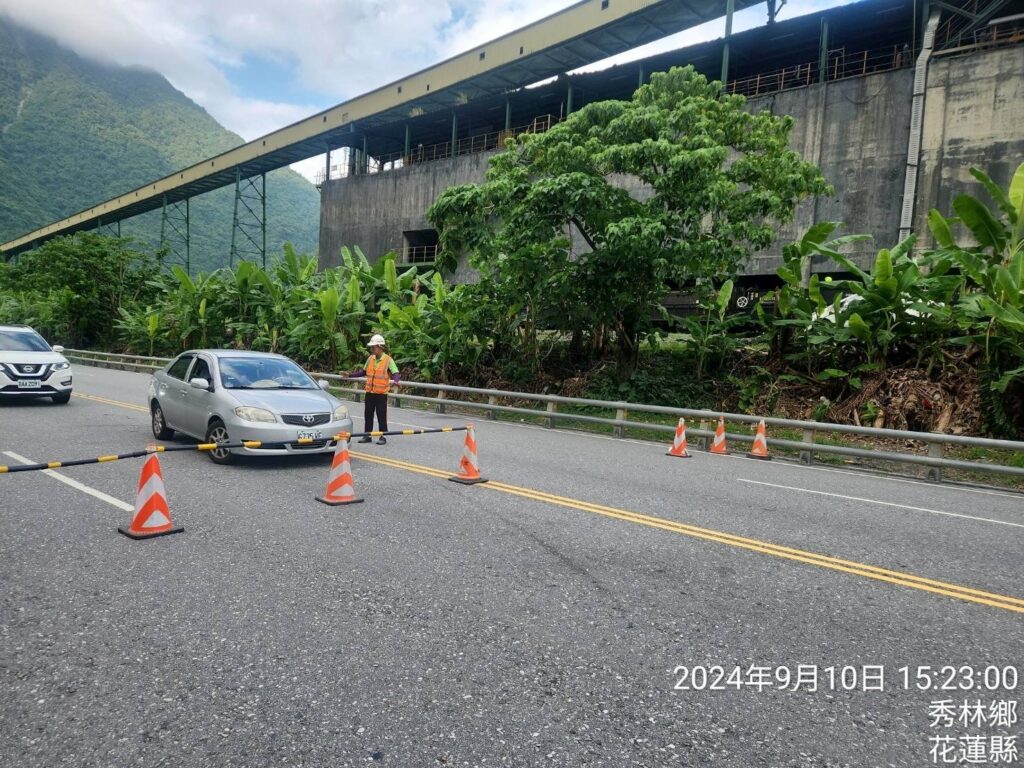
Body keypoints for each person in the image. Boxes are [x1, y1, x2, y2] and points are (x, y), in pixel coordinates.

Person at [341, 334, 399, 444]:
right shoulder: (370, 358)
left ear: (380, 347)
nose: (371, 349)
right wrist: (350, 375)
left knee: (381, 415)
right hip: (370, 393)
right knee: (368, 415)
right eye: (371, 347)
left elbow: (395, 372)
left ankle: (383, 436)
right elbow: (363, 372)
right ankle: (367, 435)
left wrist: (395, 381)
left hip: (381, 394)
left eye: (373, 347)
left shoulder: (388, 360)